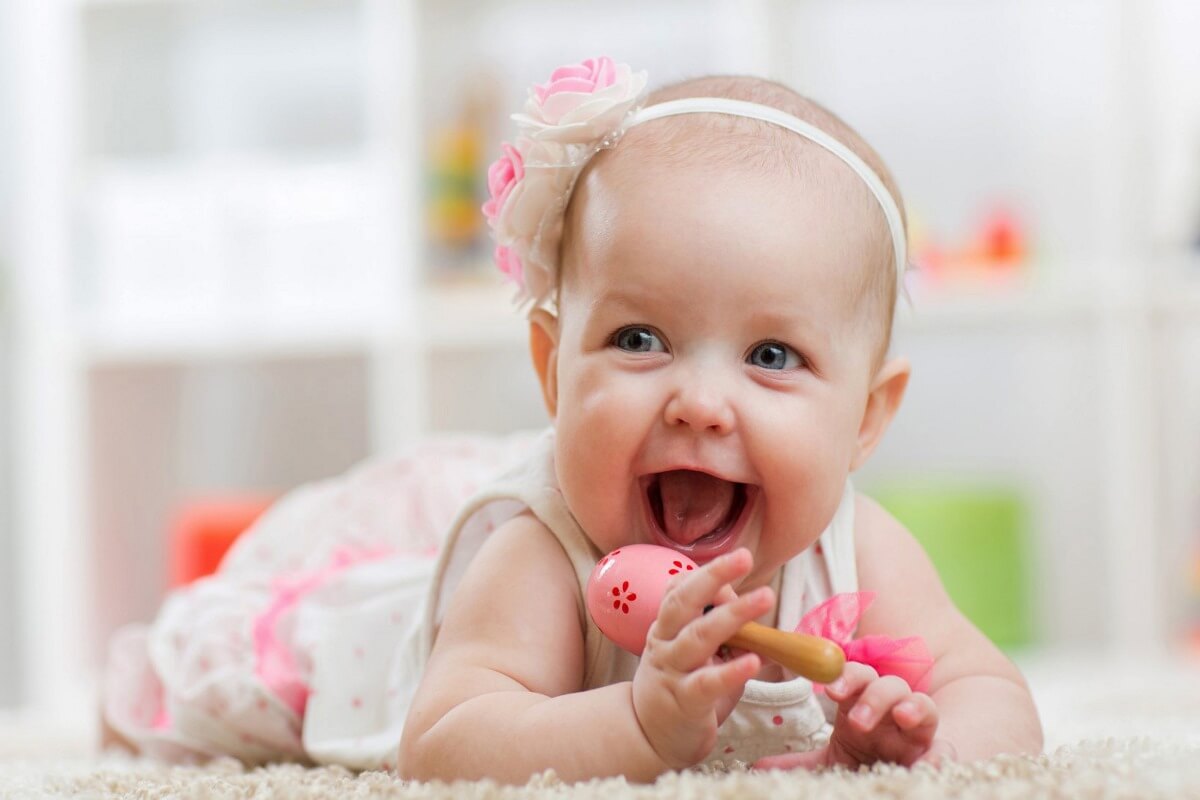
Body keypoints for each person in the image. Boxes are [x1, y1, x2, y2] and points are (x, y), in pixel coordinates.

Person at [103, 57, 1042, 783]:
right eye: (639, 339)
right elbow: (444, 745)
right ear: (555, 368)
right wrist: (639, 726)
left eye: (770, 356)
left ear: (865, 420)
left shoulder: (858, 549)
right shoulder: (543, 556)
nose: (699, 402)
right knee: (224, 682)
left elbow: (990, 690)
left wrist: (924, 748)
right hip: (369, 659)